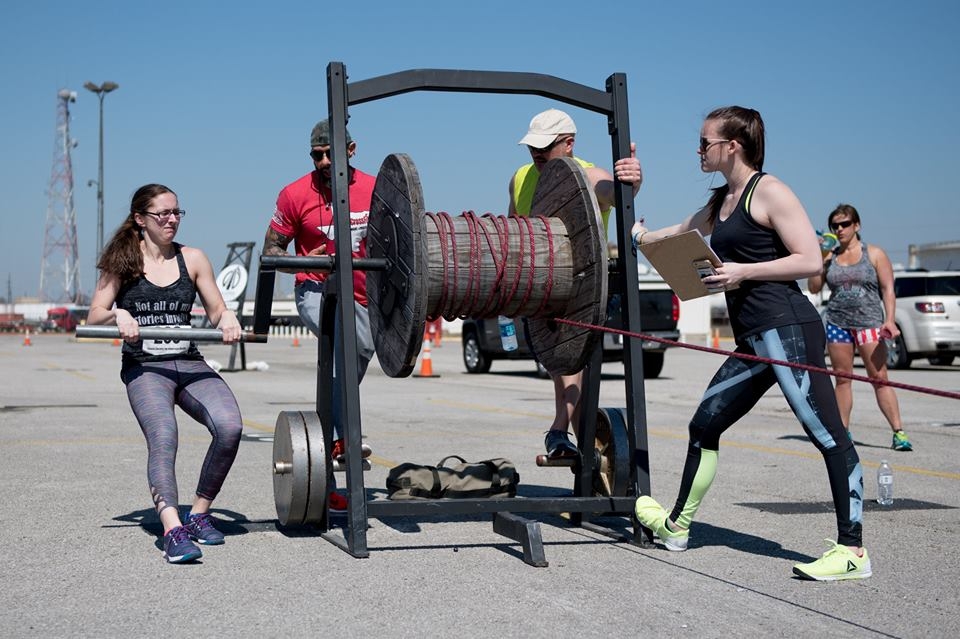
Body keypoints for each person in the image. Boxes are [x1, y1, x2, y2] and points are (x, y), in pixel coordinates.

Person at [631, 107, 870, 581]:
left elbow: (809, 261)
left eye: (705, 142)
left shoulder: (770, 191)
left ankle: (853, 551)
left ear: (732, 146)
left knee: (828, 435)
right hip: (753, 339)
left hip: (787, 329)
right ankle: (677, 527)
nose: (698, 150)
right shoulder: (721, 201)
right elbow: (671, 236)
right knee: (704, 425)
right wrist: (634, 221)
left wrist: (744, 271)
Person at [88, 184, 243, 564]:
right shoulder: (122, 262)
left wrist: (228, 318)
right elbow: (94, 315)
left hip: (188, 361)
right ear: (141, 219)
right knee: (164, 436)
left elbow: (216, 310)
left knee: (230, 426)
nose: (172, 219)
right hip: (145, 368)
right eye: (163, 214)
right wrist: (118, 314)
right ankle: (173, 529)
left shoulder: (193, 258)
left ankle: (199, 514)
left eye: (177, 212)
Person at [508, 108, 642, 459]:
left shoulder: (589, 175)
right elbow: (511, 232)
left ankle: (558, 431)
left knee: (567, 358)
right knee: (568, 370)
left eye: (545, 146)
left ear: (569, 143)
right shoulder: (520, 178)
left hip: (584, 291)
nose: (536, 153)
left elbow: (614, 193)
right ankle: (586, 460)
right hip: (541, 290)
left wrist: (632, 182)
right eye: (532, 146)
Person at [263, 119, 374, 492]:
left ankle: (330, 441)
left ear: (351, 150)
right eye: (317, 155)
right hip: (315, 291)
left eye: (330, 153)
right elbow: (271, 250)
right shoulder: (294, 194)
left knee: (355, 353)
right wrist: (302, 261)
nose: (324, 162)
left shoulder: (376, 189)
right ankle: (346, 438)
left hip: (365, 297)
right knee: (343, 337)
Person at [808, 205, 912, 451]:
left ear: (857, 225)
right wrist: (821, 256)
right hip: (838, 323)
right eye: (835, 225)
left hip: (869, 323)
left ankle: (899, 432)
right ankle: (842, 432)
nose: (840, 229)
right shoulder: (830, 256)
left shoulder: (874, 253)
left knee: (879, 378)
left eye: (845, 224)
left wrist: (889, 320)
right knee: (842, 379)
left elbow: (888, 289)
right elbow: (813, 287)